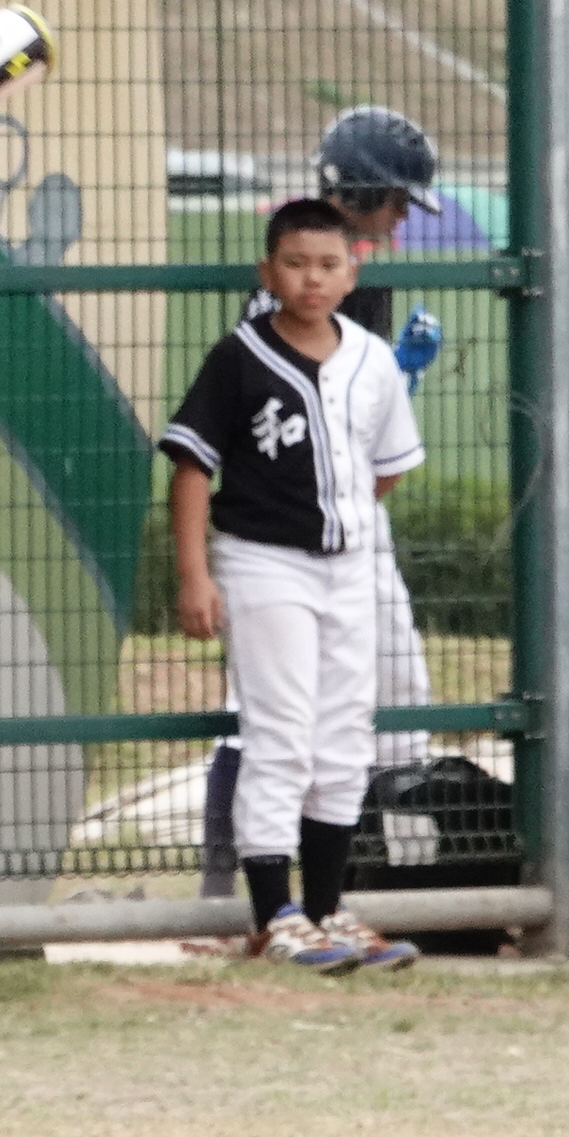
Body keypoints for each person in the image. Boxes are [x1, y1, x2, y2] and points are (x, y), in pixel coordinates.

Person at [166, 198, 429, 973]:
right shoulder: (240, 355)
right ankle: (272, 916)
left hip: (347, 563)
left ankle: (325, 908)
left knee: (344, 736)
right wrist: (195, 575)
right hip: (262, 562)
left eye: (327, 264)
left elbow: (386, 468)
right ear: (268, 271)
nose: (312, 279)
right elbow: (191, 468)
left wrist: (333, 516)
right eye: (295, 264)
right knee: (279, 733)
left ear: (351, 272)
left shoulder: (372, 358)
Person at [200, 106, 448, 897]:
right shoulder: (300, 283)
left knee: (392, 695)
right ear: (362, 190)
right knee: (272, 712)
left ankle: (382, 874)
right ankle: (226, 887)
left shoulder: (357, 277)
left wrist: (398, 381)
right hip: (286, 526)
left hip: (350, 515)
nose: (402, 217)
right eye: (395, 199)